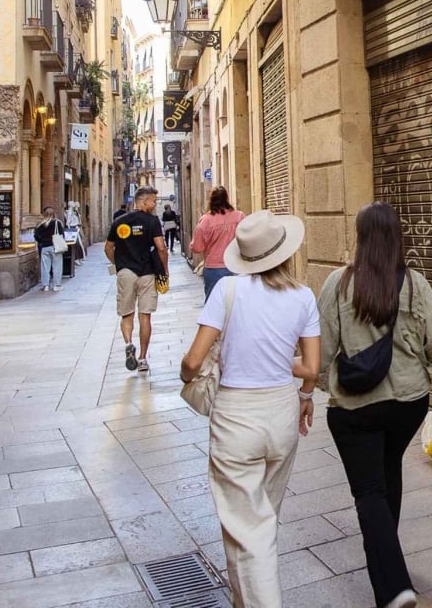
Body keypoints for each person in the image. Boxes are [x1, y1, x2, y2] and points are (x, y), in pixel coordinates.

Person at [179, 211, 320, 608]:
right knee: (259, 521)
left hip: (236, 420)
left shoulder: (227, 291)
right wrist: (302, 392)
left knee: (249, 528)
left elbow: (193, 360)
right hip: (282, 416)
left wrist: (188, 374)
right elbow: (312, 368)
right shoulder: (303, 296)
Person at [319, 203, 432, 608]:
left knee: (369, 491)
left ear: (360, 237)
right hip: (409, 403)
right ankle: (387, 572)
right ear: (397, 236)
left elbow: (321, 353)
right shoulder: (415, 284)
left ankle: (394, 588)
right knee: (387, 472)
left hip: (355, 408)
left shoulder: (338, 283)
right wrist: (422, 367)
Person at [105, 186, 168, 375]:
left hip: (126, 272)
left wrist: (119, 264)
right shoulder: (152, 221)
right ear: (143, 201)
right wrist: (164, 270)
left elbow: (108, 247)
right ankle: (142, 358)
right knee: (145, 316)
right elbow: (161, 247)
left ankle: (128, 343)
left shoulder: (119, 222)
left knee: (127, 314)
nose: (155, 204)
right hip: (147, 272)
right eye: (153, 201)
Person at [188, 186, 245, 301]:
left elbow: (197, 248)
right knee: (236, 303)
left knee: (213, 303)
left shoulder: (206, 220)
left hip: (213, 268)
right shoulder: (239, 216)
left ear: (211, 200)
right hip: (236, 266)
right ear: (227, 198)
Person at [34, 206, 66, 293]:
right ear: (53, 214)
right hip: (55, 247)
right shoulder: (57, 223)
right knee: (57, 266)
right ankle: (56, 285)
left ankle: (45, 286)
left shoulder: (40, 224)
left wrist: (42, 241)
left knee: (45, 267)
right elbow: (62, 235)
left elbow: (36, 236)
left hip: (44, 248)